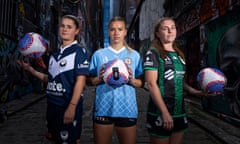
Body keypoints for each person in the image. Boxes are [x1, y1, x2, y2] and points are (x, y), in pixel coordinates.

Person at [17, 14, 89, 144]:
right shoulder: (54, 55)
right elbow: (49, 79)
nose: (65, 29)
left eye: (69, 27)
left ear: (76, 31)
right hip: (52, 107)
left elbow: (81, 81)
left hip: (67, 106)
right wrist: (30, 70)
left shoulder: (79, 52)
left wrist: (72, 108)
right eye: (62, 26)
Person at [143, 17, 208, 144]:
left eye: (173, 27)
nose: (170, 31)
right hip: (160, 113)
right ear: (157, 33)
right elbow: (151, 84)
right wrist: (164, 112)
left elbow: (179, 81)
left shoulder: (179, 54)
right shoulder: (153, 53)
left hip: (179, 112)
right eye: (165, 28)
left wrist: (196, 92)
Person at [89, 16, 143, 144]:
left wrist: (131, 80)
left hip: (127, 109)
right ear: (108, 31)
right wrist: (99, 78)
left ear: (125, 31)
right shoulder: (99, 55)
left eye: (120, 29)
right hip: (103, 108)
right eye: (112, 29)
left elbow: (141, 83)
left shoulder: (134, 55)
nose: (116, 33)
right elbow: (88, 81)